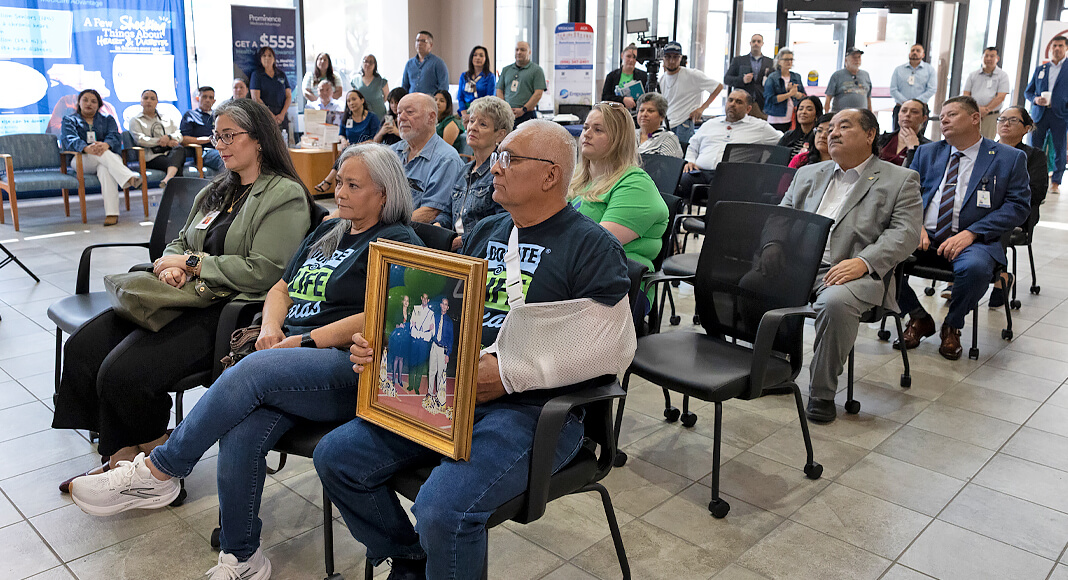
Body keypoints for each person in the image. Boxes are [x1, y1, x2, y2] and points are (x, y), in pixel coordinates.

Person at [67, 143, 421, 580]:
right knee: (242, 427)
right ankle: (242, 557)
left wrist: (304, 340)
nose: (339, 192)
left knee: (250, 371)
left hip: (345, 363)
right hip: (288, 355)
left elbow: (384, 313)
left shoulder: (397, 240)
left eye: (353, 186)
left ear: (384, 194)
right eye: (340, 181)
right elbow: (281, 288)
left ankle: (161, 470)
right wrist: (271, 327)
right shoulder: (330, 229)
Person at [314, 119, 632, 580]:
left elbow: (610, 347)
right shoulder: (487, 230)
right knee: (336, 457)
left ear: (550, 175)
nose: (495, 168)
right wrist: (382, 344)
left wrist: (507, 374)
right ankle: (412, 560)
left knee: (443, 510)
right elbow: (448, 308)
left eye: (510, 159)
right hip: (449, 392)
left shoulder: (592, 247)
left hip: (533, 411)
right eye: (497, 157)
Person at [52, 98, 314, 495]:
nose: (220, 145)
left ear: (259, 139)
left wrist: (191, 263)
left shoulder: (284, 195)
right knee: (84, 347)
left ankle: (156, 470)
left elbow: (266, 271)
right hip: (180, 295)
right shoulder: (216, 190)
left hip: (228, 309)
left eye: (229, 136)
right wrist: (169, 266)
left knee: (124, 372)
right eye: (216, 136)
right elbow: (179, 241)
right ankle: (123, 458)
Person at [775, 108, 922, 423]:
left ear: (870, 135)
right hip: (800, 264)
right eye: (830, 128)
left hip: (855, 271)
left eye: (844, 126)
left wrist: (864, 262)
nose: (833, 133)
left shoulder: (899, 179)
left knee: (835, 303)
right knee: (751, 280)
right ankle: (775, 368)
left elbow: (906, 234)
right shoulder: (809, 173)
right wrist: (773, 246)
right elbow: (781, 217)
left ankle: (821, 392)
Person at [894, 96, 1030, 360]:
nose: (943, 120)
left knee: (976, 269)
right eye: (942, 116)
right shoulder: (926, 152)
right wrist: (915, 224)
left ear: (975, 118)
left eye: (952, 115)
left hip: (974, 240)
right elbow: (904, 195)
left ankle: (952, 324)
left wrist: (972, 233)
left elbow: (1018, 206)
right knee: (877, 259)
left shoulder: (1008, 158)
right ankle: (919, 317)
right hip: (923, 236)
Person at [570, 101, 668, 276]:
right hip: (575, 271)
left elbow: (596, 244)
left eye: (598, 130)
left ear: (619, 139)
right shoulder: (576, 176)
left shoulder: (636, 185)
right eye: (585, 128)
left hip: (615, 279)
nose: (587, 134)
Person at [989, 106, 1048, 307]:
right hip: (983, 208)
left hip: (1019, 212)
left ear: (1026, 128)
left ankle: (1000, 276)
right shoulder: (985, 150)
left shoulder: (1034, 156)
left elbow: (1037, 192)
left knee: (1000, 220)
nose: (1005, 123)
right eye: (1002, 119)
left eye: (1013, 120)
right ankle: (957, 277)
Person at [60, 89, 141, 226]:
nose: (89, 104)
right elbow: (69, 138)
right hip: (81, 159)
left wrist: (106, 144)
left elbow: (115, 135)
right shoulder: (69, 120)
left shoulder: (107, 119)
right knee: (103, 155)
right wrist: (86, 148)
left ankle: (112, 214)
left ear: (99, 105)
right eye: (85, 100)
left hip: (105, 159)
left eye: (93, 101)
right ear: (79, 102)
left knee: (104, 169)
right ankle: (128, 177)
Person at [678, 89, 782, 197]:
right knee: (678, 182)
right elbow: (693, 146)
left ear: (748, 109)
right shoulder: (710, 124)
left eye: (738, 102)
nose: (732, 104)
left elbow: (783, 139)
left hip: (731, 177)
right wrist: (690, 161)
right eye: (730, 100)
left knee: (720, 188)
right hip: (699, 172)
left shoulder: (760, 127)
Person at [447, 96, 514, 249]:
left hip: (480, 252)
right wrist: (438, 225)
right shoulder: (464, 169)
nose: (472, 127)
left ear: (500, 134)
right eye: (471, 121)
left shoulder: (501, 173)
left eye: (482, 124)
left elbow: (502, 224)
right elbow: (447, 211)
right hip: (453, 247)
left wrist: (462, 240)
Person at [390, 93, 465, 225]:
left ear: (431, 117)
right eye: (399, 113)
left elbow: (430, 212)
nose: (401, 118)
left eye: (409, 112)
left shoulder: (446, 160)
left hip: (412, 231)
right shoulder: (391, 152)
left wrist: (388, 227)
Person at [315, 90, 382, 193]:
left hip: (368, 150)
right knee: (347, 151)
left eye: (354, 99)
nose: (351, 103)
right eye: (348, 101)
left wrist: (356, 146)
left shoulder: (372, 117)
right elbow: (341, 134)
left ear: (362, 100)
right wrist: (343, 140)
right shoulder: (347, 118)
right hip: (350, 150)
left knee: (347, 151)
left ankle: (328, 181)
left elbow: (375, 139)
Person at [1025, 35, 1067, 194]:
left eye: (1060, 46)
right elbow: (1028, 92)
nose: (1057, 49)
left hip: (1060, 115)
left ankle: (1055, 182)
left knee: (1059, 148)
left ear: (1066, 48)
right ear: (1050, 48)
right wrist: (1036, 99)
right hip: (1040, 114)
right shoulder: (1041, 69)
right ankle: (1031, 178)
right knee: (1034, 148)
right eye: (1054, 46)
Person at [659, 41, 724, 144]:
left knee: (684, 152)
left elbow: (718, 87)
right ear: (663, 58)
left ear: (680, 58)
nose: (671, 61)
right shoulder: (662, 79)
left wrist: (702, 108)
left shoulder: (692, 74)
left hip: (683, 124)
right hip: (666, 124)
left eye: (675, 57)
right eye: (668, 57)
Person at [128, 89, 186, 190]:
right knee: (177, 164)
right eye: (146, 98)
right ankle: (177, 194)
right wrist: (162, 142)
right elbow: (140, 140)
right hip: (151, 157)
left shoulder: (167, 118)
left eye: (152, 98)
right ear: (141, 101)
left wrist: (169, 137)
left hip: (170, 153)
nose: (149, 101)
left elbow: (179, 135)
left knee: (179, 150)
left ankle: (168, 180)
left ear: (157, 102)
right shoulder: (135, 120)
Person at [964, 47, 1012, 139]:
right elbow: (966, 94)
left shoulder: (1003, 76)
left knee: (986, 142)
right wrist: (977, 109)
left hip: (990, 115)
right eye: (986, 56)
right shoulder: (973, 75)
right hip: (973, 113)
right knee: (968, 140)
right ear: (982, 57)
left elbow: (1001, 97)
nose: (988, 58)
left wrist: (985, 110)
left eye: (992, 56)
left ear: (997, 59)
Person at [497, 41, 547, 126]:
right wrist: (505, 109)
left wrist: (523, 110)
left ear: (529, 52)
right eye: (517, 50)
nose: (519, 52)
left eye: (522, 50)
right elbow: (499, 90)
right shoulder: (506, 70)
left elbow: (538, 93)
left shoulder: (537, 70)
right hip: (507, 115)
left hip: (527, 115)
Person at [889, 44, 937, 131]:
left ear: (923, 55)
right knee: (897, 135)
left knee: (918, 136)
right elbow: (893, 89)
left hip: (920, 109)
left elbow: (931, 89)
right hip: (901, 108)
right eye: (912, 50)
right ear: (909, 54)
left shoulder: (930, 70)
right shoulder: (899, 69)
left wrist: (915, 103)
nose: (914, 52)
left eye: (918, 51)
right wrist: (906, 103)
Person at [725, 34, 775, 112]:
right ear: (750, 43)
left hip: (762, 103)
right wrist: (742, 80)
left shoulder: (770, 62)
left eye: (759, 41)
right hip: (741, 102)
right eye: (754, 41)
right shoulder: (738, 60)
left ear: (762, 44)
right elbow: (727, 79)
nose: (756, 43)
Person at [180, 86, 225, 173]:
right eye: (204, 97)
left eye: (211, 97)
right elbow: (184, 139)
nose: (207, 100)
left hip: (223, 147)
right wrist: (208, 139)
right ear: (198, 98)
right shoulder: (191, 115)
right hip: (205, 151)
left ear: (214, 101)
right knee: (224, 158)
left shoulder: (219, 116)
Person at [876, 99, 931, 167]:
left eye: (914, 112)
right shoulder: (882, 139)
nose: (907, 114)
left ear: (924, 119)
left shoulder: (928, 147)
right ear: (898, 114)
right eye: (904, 111)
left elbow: (917, 171)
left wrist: (913, 149)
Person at [250, 46, 293, 131]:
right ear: (260, 59)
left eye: (270, 55)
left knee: (284, 138)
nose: (267, 58)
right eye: (264, 56)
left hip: (281, 117)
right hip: (264, 117)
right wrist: (271, 116)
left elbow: (288, 96)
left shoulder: (281, 74)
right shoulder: (256, 75)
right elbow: (256, 99)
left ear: (274, 58)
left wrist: (282, 115)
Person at [763, 49, 806, 131]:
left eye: (791, 59)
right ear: (779, 61)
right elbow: (770, 99)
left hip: (793, 117)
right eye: (786, 59)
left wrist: (795, 94)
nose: (789, 62)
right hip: (776, 118)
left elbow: (803, 96)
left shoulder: (796, 77)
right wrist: (789, 94)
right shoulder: (772, 78)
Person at [601, 43, 650, 111]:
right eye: (628, 56)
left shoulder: (644, 76)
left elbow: (648, 98)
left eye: (634, 57)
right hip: (616, 112)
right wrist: (623, 100)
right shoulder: (612, 76)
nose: (631, 60)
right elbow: (605, 98)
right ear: (622, 56)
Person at [636, 92, 684, 158]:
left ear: (662, 116)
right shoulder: (629, 135)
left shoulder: (668, 139)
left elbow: (667, 164)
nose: (644, 114)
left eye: (650, 111)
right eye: (641, 110)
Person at [426, 297, 453, 411]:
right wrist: (429, 328)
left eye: (446, 304)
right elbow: (428, 329)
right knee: (432, 370)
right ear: (441, 305)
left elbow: (451, 339)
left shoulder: (449, 322)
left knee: (440, 373)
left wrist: (448, 354)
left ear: (448, 307)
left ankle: (438, 395)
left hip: (443, 350)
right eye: (443, 303)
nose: (444, 306)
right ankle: (429, 393)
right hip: (434, 346)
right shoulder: (434, 317)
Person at [825, 48, 872, 113]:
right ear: (846, 60)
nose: (857, 60)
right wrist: (826, 114)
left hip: (861, 116)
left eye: (859, 57)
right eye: (854, 57)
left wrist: (870, 114)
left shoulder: (866, 75)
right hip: (841, 115)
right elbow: (828, 98)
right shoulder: (837, 75)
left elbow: (868, 98)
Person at [402, 31, 449, 96]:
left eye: (423, 41)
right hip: (411, 100)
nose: (419, 43)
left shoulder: (438, 63)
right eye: (417, 40)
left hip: (429, 100)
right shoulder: (409, 64)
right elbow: (404, 87)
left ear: (431, 45)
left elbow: (443, 87)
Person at [406, 292, 435, 394]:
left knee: (420, 364)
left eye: (427, 299)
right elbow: (412, 323)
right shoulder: (416, 309)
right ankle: (411, 385)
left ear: (428, 300)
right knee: (412, 362)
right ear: (421, 298)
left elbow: (432, 329)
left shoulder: (431, 313)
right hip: (415, 339)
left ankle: (417, 387)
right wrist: (415, 329)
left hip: (423, 341)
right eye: (423, 298)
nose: (425, 300)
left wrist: (428, 331)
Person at [457, 46, 496, 122]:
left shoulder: (490, 77)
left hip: (482, 112)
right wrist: (464, 114)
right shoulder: (464, 76)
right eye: (475, 55)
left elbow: (489, 99)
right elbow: (460, 97)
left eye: (481, 56)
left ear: (485, 59)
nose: (478, 58)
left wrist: (473, 115)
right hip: (464, 112)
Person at [353, 54, 390, 118]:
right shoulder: (355, 80)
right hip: (362, 114)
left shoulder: (381, 80)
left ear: (375, 65)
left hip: (379, 114)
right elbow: (353, 97)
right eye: (366, 61)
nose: (368, 64)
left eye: (371, 62)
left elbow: (387, 96)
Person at [434, 90, 466, 154]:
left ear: (448, 105)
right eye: (435, 100)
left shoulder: (451, 123)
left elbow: (444, 149)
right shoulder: (431, 120)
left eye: (442, 101)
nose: (437, 103)